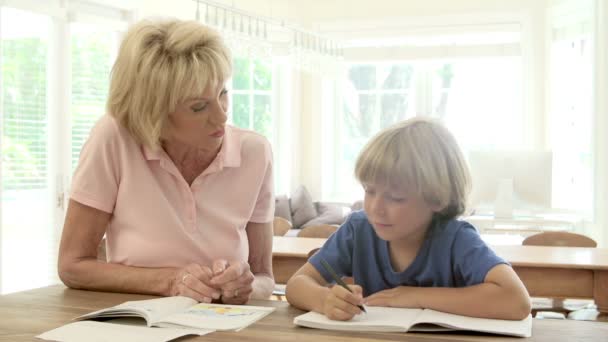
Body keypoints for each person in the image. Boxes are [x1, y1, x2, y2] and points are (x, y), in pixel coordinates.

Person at [58, 18, 275, 305]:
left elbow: (264, 277)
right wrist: (171, 280)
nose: (222, 116)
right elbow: (73, 266)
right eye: (199, 106)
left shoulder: (255, 153)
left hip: (225, 326)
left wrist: (247, 286)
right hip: (135, 324)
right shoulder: (114, 138)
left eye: (223, 93)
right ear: (153, 112)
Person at [285, 117, 531, 321]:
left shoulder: (456, 239)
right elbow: (297, 284)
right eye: (369, 190)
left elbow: (517, 301)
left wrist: (413, 296)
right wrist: (324, 299)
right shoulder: (357, 229)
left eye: (395, 197)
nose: (375, 208)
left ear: (437, 198)